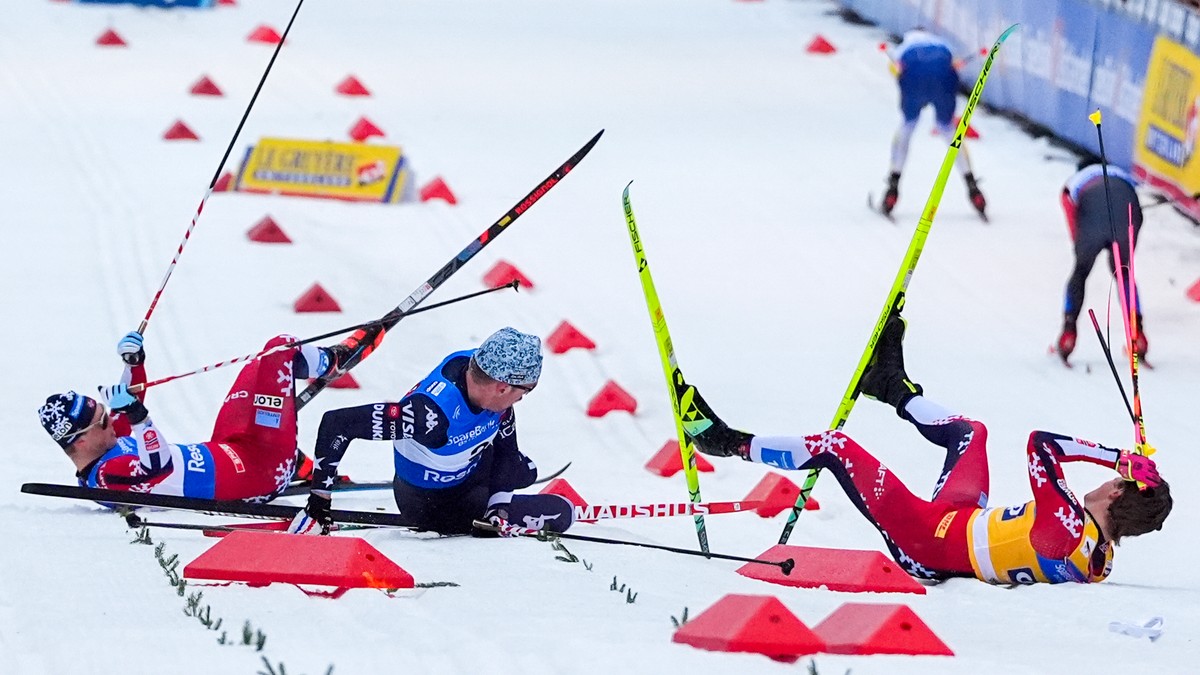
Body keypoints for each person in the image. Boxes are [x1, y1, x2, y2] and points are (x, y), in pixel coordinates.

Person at [681, 312, 1170, 584]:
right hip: (958, 520)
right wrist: (1142, 480)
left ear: (1118, 497)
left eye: (1116, 483)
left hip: (925, 540)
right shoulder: (1099, 557)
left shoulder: (1068, 524)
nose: (1107, 481)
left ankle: (724, 442)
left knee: (836, 447)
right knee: (971, 433)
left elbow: (1041, 445)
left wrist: (1117, 457)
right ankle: (889, 384)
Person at [37, 326, 380, 502]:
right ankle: (333, 361)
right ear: (79, 442)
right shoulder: (108, 476)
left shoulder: (107, 444)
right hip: (262, 471)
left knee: (265, 359)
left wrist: (133, 364)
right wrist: (139, 417)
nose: (111, 419)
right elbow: (159, 466)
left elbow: (131, 399)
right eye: (103, 420)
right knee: (282, 346)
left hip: (233, 444)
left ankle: (298, 462)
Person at [289, 327, 574, 536]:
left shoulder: (476, 366)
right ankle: (495, 506)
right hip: (432, 504)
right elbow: (338, 424)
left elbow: (506, 447)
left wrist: (498, 506)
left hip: (468, 467)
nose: (525, 397)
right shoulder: (428, 417)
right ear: (502, 386)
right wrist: (319, 501)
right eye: (526, 390)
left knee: (521, 469)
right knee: (562, 512)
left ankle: (496, 502)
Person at [880, 28, 986, 218]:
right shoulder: (941, 43)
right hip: (942, 77)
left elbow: (895, 70)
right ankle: (972, 186)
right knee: (948, 129)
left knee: (908, 125)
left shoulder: (904, 46)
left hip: (913, 78)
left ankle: (893, 186)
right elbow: (955, 65)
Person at [1055, 160, 1146, 363]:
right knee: (1123, 272)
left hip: (1091, 221)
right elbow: (1136, 207)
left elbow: (1071, 215)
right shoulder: (1121, 173)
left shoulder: (1074, 181)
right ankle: (1137, 334)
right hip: (1127, 214)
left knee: (1080, 272)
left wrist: (1081, 246)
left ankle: (1068, 333)